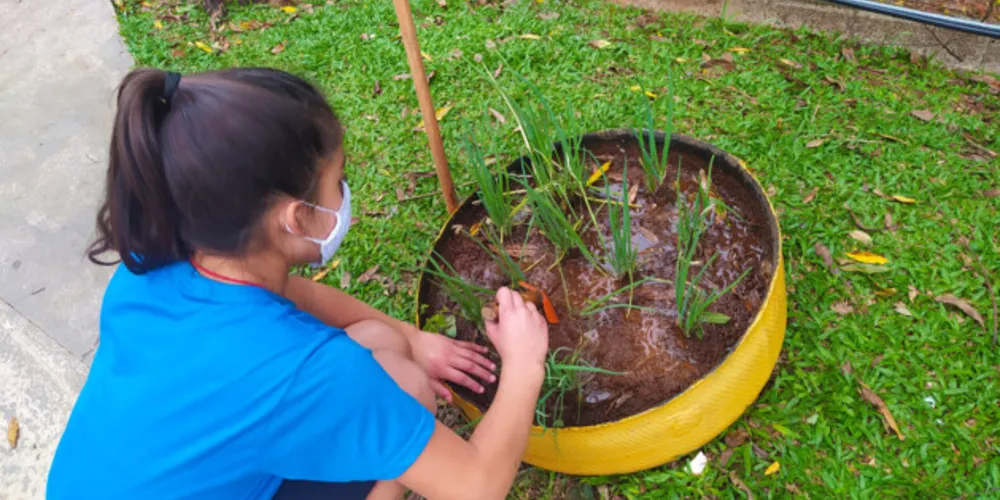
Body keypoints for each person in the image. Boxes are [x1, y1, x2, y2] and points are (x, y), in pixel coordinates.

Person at [47, 68, 550, 500]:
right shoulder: (306, 375)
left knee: (387, 350)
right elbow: (478, 484)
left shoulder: (158, 258)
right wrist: (525, 364)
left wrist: (414, 336)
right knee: (406, 393)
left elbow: (294, 295)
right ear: (295, 217)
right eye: (338, 179)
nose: (344, 193)